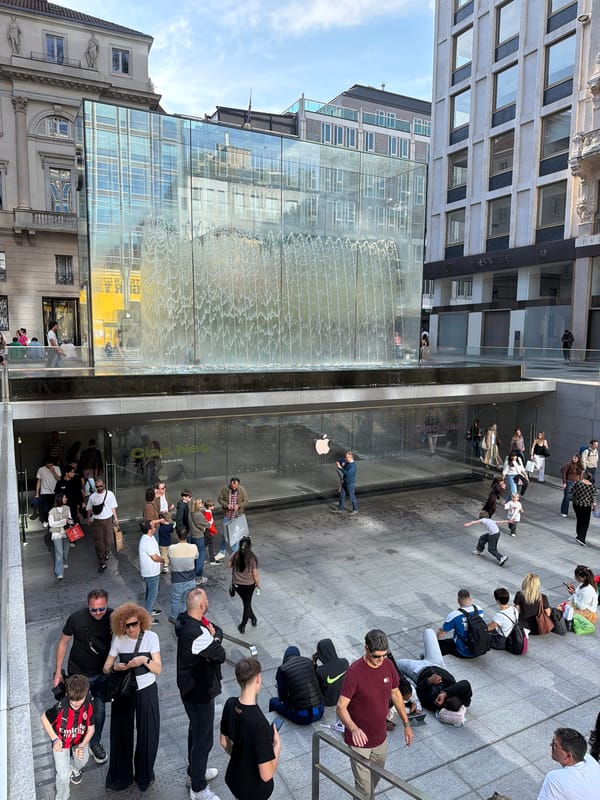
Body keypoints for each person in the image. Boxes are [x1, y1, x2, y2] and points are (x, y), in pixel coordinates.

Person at [336, 629, 413, 799]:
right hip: (359, 742)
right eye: (376, 656)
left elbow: (396, 694)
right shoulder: (354, 672)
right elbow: (341, 706)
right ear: (366, 649)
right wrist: (353, 728)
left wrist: (406, 724)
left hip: (380, 738)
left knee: (374, 779)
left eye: (384, 655)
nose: (380, 660)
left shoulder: (388, 665)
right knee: (364, 789)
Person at [102, 603, 161, 793]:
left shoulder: (151, 637)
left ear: (141, 621)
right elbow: (106, 667)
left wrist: (144, 660)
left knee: (148, 734)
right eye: (126, 625)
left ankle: (145, 775)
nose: (130, 629)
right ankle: (120, 777)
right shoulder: (118, 638)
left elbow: (158, 669)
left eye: (134, 624)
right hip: (125, 691)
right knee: (120, 733)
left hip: (146, 689)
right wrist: (115, 667)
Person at [175, 588, 225, 800]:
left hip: (191, 688)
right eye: (206, 600)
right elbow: (220, 654)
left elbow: (218, 631)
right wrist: (214, 638)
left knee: (195, 733)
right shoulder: (196, 633)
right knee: (203, 739)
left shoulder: (189, 620)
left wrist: (214, 636)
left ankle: (196, 770)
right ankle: (198, 787)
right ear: (202, 606)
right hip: (199, 691)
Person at [53, 589, 113, 765]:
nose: (98, 613)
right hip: (79, 674)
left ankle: (95, 743)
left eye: (101, 609)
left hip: (102, 673)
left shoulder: (113, 617)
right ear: (88, 606)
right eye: (94, 609)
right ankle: (76, 744)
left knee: (99, 711)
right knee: (77, 712)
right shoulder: (76, 618)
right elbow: (63, 642)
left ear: (106, 604)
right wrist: (58, 672)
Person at [220, 657, 281, 800]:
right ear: (258, 678)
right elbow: (266, 775)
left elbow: (224, 742)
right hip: (254, 791)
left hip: (235, 779)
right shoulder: (260, 724)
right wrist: (277, 746)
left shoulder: (230, 704)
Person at [41, 674, 95, 800]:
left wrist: (81, 746)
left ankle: (73, 768)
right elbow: (44, 718)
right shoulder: (60, 707)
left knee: (83, 761)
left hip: (79, 740)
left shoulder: (89, 702)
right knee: (63, 776)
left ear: (85, 694)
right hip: (61, 741)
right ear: (67, 696)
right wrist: (54, 739)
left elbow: (91, 729)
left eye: (79, 700)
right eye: (73, 701)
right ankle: (62, 797)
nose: (76, 704)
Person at [537, 727, 600, 800]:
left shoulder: (554, 778)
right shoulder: (589, 759)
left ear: (568, 756)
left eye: (555, 745)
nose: (551, 745)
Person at [268, 646, 324, 724]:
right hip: (320, 711)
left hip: (302, 718)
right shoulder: (308, 662)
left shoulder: (282, 669)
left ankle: (272, 724)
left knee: (273, 701)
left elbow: (282, 697)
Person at [437, 588, 487, 657]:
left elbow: (442, 634)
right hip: (479, 649)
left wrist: (435, 637)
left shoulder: (455, 615)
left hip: (463, 652)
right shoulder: (480, 609)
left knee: (441, 644)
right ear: (470, 599)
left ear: (458, 600)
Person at [227, 535, 260, 634]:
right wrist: (258, 585)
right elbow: (255, 574)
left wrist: (232, 556)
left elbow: (228, 565)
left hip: (238, 585)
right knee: (247, 604)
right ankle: (243, 625)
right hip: (249, 585)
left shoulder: (236, 555)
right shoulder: (252, 558)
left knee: (246, 603)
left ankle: (253, 618)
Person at [86, 478, 118, 573]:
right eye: (97, 487)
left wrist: (115, 518)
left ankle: (106, 552)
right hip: (97, 521)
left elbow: (113, 507)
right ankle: (102, 561)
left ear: (104, 485)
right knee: (99, 541)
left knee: (108, 540)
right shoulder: (92, 497)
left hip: (108, 520)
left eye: (101, 486)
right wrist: (88, 519)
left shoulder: (110, 494)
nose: (99, 488)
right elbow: (89, 509)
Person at [167, 527, 198, 623]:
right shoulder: (193, 547)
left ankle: (174, 617)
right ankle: (185, 616)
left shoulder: (171, 548)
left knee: (175, 600)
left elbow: (169, 557)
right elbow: (196, 556)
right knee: (186, 600)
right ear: (187, 535)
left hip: (177, 580)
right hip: (190, 579)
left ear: (177, 536)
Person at [138, 519, 164, 622]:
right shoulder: (146, 541)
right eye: (153, 526)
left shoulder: (149, 537)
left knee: (150, 592)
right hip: (151, 572)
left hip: (152, 570)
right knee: (153, 594)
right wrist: (162, 560)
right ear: (149, 529)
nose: (155, 527)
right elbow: (154, 557)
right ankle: (147, 617)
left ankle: (148, 609)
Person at [217, 477, 249, 558]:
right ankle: (221, 551)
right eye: (232, 486)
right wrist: (226, 505)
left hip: (237, 515)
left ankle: (235, 552)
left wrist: (239, 506)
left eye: (236, 486)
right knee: (225, 534)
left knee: (236, 534)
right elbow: (220, 499)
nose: (234, 487)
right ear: (230, 483)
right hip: (227, 515)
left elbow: (246, 501)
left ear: (238, 484)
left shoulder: (242, 489)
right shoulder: (225, 489)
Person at [312, 639, 349, 706]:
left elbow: (315, 685)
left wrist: (314, 663)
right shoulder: (345, 662)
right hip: (344, 697)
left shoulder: (320, 670)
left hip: (329, 701)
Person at [49, 493, 72, 580]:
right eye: (65, 497)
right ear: (60, 499)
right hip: (57, 534)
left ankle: (65, 562)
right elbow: (51, 524)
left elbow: (70, 518)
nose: (66, 498)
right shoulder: (52, 511)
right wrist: (63, 521)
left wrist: (69, 521)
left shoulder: (67, 508)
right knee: (59, 553)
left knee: (66, 550)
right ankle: (59, 572)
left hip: (66, 532)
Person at [570, 470, 596, 546]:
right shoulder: (592, 487)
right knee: (585, 523)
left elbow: (571, 491)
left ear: (584, 476)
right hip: (586, 506)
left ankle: (579, 535)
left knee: (579, 519)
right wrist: (594, 507)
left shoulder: (577, 483)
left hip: (576, 505)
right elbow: (593, 498)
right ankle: (581, 538)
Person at [189, 498, 210, 584]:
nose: (202, 504)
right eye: (200, 503)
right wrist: (204, 527)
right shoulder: (198, 514)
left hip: (192, 536)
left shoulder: (190, 513)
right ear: (197, 505)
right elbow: (207, 524)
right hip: (199, 537)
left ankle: (194, 575)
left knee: (194, 557)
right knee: (200, 558)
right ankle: (198, 577)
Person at [35, 459, 61, 527]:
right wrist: (37, 493)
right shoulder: (41, 469)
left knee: (55, 507)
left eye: (51, 464)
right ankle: (46, 520)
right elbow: (39, 481)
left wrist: (53, 471)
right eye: (48, 464)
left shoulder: (57, 468)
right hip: (44, 492)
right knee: (46, 508)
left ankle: (54, 521)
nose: (50, 465)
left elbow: (58, 479)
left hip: (55, 491)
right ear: (45, 463)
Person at [202, 498, 219, 566]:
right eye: (212, 506)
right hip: (209, 531)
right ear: (209, 507)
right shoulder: (208, 513)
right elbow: (209, 524)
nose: (213, 507)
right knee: (210, 545)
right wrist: (214, 531)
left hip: (206, 531)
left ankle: (202, 558)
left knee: (205, 544)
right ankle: (212, 560)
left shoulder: (205, 512)